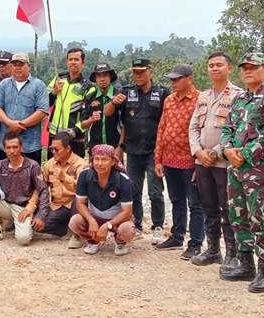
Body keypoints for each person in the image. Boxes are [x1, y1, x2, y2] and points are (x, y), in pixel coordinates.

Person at [220, 52, 264, 294]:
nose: (247, 71)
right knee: (237, 215)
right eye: (244, 68)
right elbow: (227, 127)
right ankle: (245, 264)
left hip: (259, 167)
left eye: (253, 67)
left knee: (261, 216)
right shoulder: (239, 99)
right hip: (235, 167)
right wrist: (228, 151)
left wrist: (244, 155)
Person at [188, 52, 244, 273]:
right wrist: (197, 152)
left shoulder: (238, 95)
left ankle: (232, 253)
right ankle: (213, 249)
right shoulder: (203, 96)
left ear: (229, 68)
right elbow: (193, 127)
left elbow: (239, 131)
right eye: (211, 65)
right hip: (203, 163)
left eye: (219, 65)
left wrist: (216, 152)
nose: (214, 69)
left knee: (227, 208)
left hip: (223, 164)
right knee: (208, 206)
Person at [104, 58, 169, 243]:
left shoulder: (162, 93)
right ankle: (137, 224)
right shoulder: (125, 92)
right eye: (135, 72)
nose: (137, 75)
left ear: (150, 71)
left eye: (141, 71)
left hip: (154, 151)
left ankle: (157, 226)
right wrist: (113, 102)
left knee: (155, 191)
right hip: (132, 150)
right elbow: (109, 113)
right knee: (133, 190)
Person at [153, 64, 205, 259]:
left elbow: (202, 131)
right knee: (176, 200)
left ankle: (196, 243)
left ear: (189, 79)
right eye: (171, 80)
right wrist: (158, 159)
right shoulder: (169, 100)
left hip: (190, 161)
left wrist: (199, 162)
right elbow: (162, 129)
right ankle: (177, 236)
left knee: (195, 203)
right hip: (169, 160)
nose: (173, 83)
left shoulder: (200, 99)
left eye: (177, 79)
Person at [0, 132, 49, 246]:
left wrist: (41, 215)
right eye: (8, 148)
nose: (12, 151)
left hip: (23, 208)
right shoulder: (0, 165)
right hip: (5, 205)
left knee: (23, 240)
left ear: (21, 147)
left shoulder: (32, 166)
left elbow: (43, 190)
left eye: (15, 147)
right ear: (4, 149)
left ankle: (22, 225)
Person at [68, 144, 135, 256]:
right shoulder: (85, 175)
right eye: (96, 159)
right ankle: (93, 241)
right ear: (92, 160)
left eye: (104, 160)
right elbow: (80, 204)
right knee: (75, 222)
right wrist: (91, 220)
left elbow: (127, 212)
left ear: (113, 162)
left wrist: (107, 225)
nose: (99, 163)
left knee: (127, 230)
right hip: (95, 217)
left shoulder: (123, 180)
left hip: (116, 221)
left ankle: (120, 242)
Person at [0, 52, 49, 163]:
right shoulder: (4, 84)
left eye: (21, 64)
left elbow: (42, 111)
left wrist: (21, 125)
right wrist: (10, 123)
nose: (18, 67)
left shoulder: (39, 85)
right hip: (6, 144)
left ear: (29, 66)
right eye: (15, 64)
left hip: (30, 145)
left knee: (31, 178)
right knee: (6, 177)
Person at [41, 131, 88, 247]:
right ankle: (64, 228)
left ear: (68, 148)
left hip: (74, 205)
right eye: (52, 149)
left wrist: (65, 178)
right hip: (57, 206)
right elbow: (41, 187)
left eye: (57, 149)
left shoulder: (81, 164)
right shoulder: (49, 164)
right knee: (40, 225)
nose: (53, 152)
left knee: (79, 200)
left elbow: (84, 189)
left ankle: (78, 235)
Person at [46, 48, 91, 157]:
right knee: (53, 170)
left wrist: (73, 132)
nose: (73, 62)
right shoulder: (59, 78)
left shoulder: (88, 87)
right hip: (54, 136)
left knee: (73, 172)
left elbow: (87, 116)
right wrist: (54, 92)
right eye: (70, 59)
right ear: (67, 62)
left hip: (74, 139)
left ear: (83, 63)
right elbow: (45, 103)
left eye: (76, 59)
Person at [81, 63, 122, 154]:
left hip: (114, 147)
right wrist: (91, 119)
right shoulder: (89, 97)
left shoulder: (119, 95)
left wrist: (120, 147)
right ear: (95, 78)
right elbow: (83, 125)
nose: (102, 79)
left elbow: (125, 125)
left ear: (110, 77)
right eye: (99, 76)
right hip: (94, 147)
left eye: (105, 75)